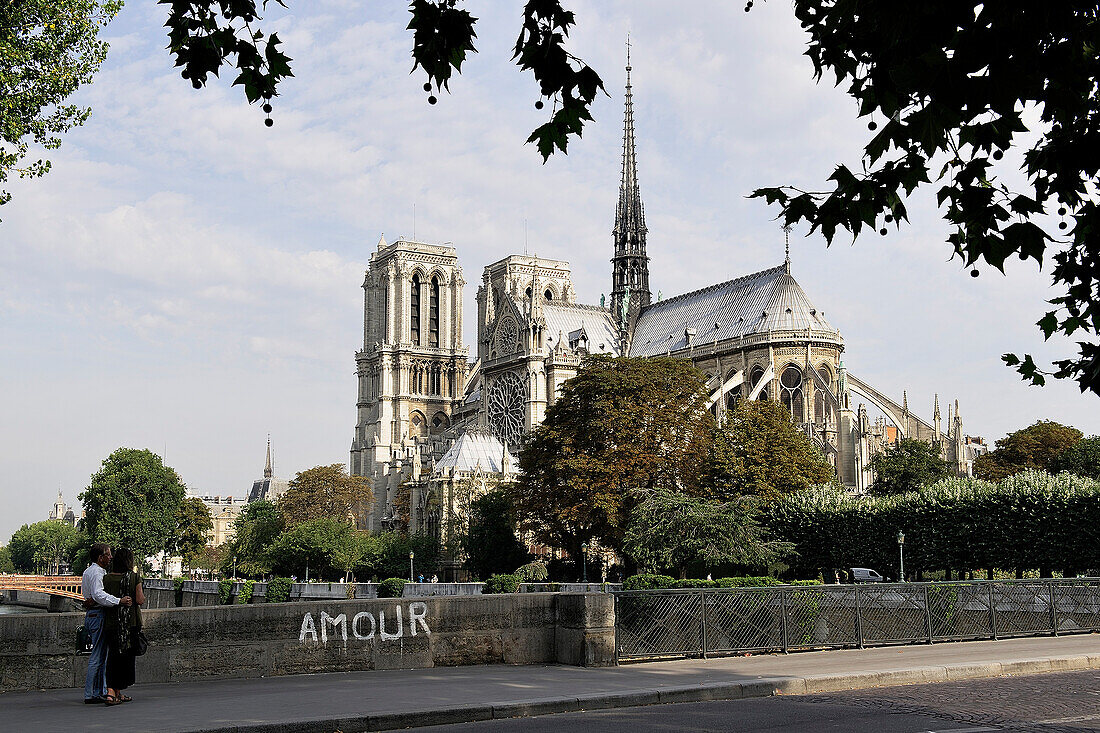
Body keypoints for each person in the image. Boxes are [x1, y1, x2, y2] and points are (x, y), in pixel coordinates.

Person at [81, 543, 132, 704]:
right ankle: (92, 693)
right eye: (108, 554)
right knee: (98, 656)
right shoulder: (97, 572)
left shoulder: (88, 571)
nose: (111, 557)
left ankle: (98, 691)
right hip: (98, 615)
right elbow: (98, 595)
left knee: (99, 655)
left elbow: (90, 597)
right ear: (100, 557)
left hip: (92, 614)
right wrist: (119, 601)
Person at [103, 548, 144, 705]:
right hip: (130, 624)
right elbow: (140, 600)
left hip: (111, 623)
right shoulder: (134, 577)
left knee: (113, 656)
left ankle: (114, 693)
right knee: (125, 659)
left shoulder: (106, 579)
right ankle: (113, 692)